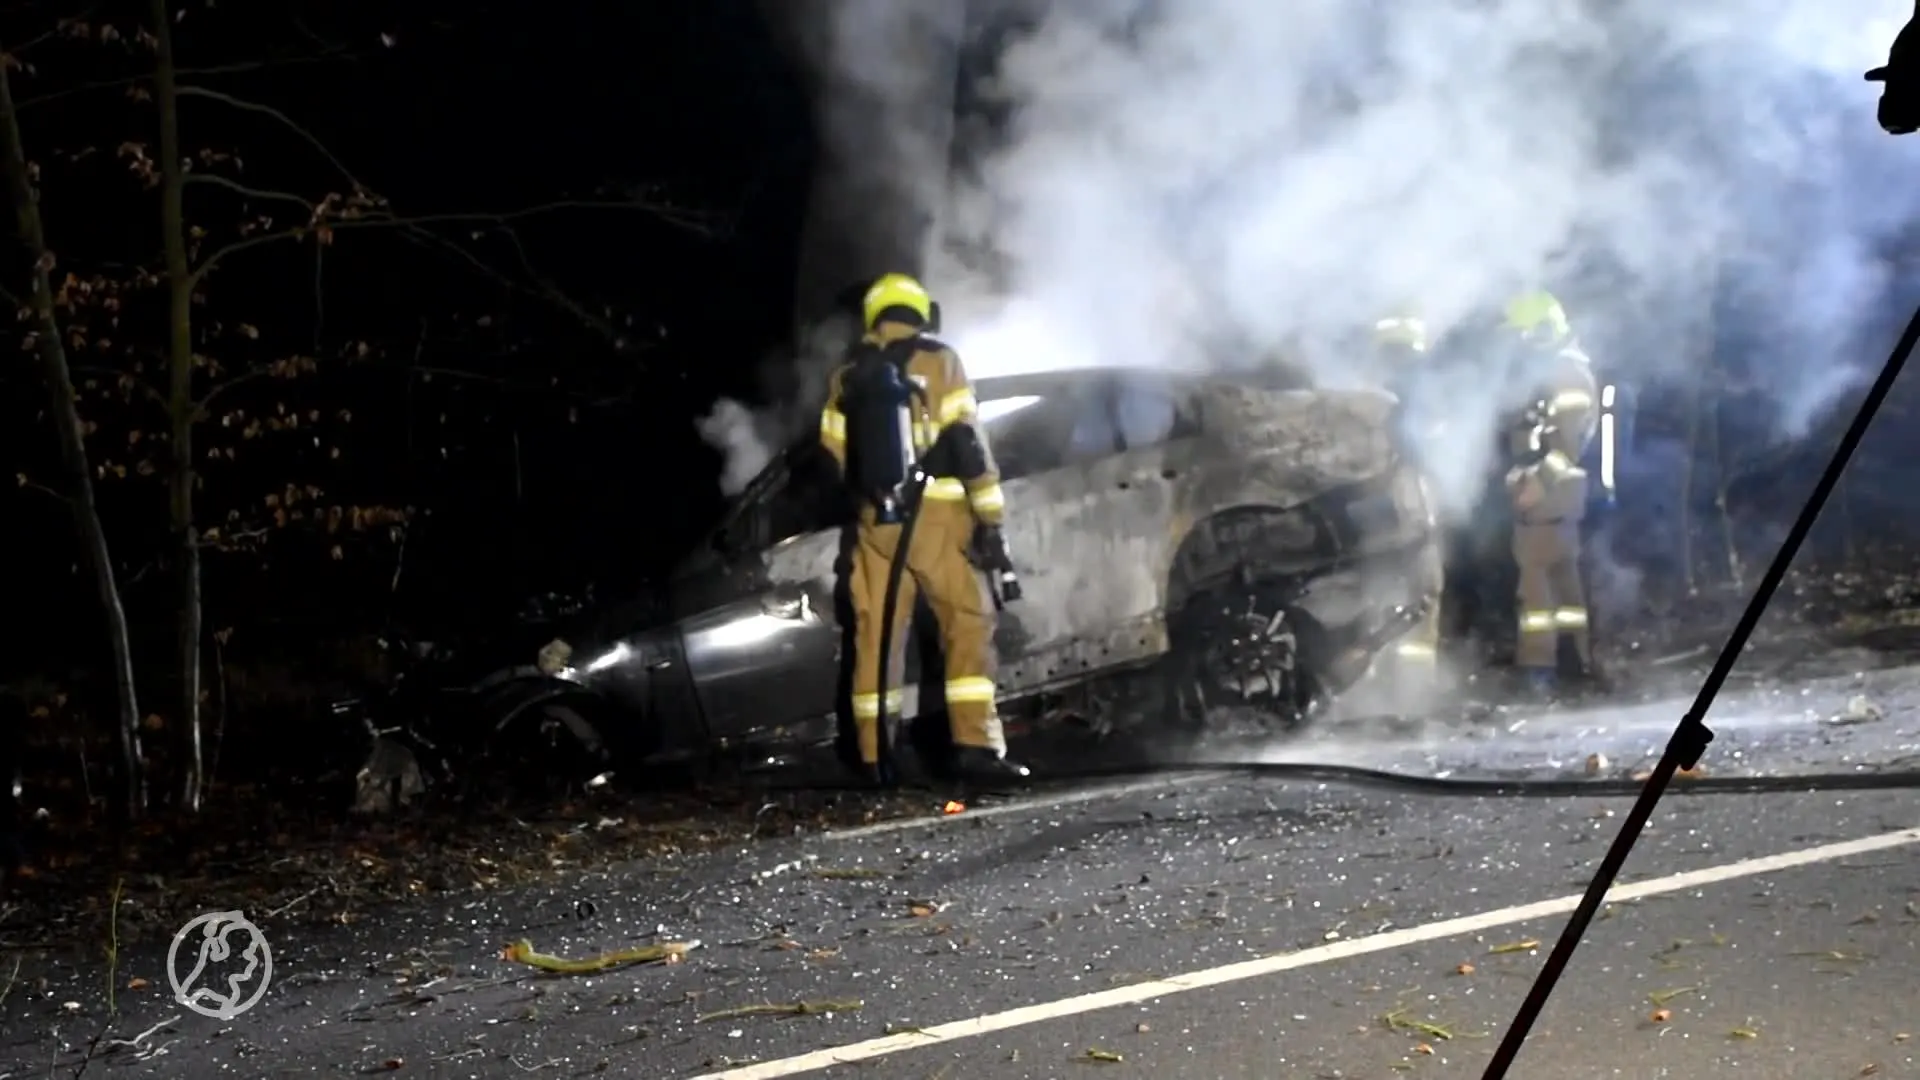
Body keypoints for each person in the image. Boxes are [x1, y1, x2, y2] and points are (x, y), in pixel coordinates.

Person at [817, 272, 1030, 786]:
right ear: (920, 313)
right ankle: (976, 747)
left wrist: (871, 499)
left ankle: (872, 757)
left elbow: (832, 451)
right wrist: (990, 519)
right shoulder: (940, 361)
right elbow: (970, 446)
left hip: (875, 525)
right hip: (938, 518)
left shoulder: (847, 376)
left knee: (877, 637)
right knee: (968, 623)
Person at [1498, 290, 1601, 698]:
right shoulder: (1567, 371)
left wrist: (1537, 483)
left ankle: (1537, 670)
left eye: (1521, 335)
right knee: (1565, 585)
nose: (1517, 345)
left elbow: (1568, 447)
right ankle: (1576, 661)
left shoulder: (1565, 375)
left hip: (1548, 498)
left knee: (1535, 589)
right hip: (1564, 499)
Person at [1370, 312, 1447, 683]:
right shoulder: (1422, 388)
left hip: (1367, 510)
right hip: (1410, 501)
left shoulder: (1363, 385)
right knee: (1424, 589)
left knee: (1375, 589)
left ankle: (1369, 684)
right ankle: (1413, 688)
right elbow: (1429, 446)